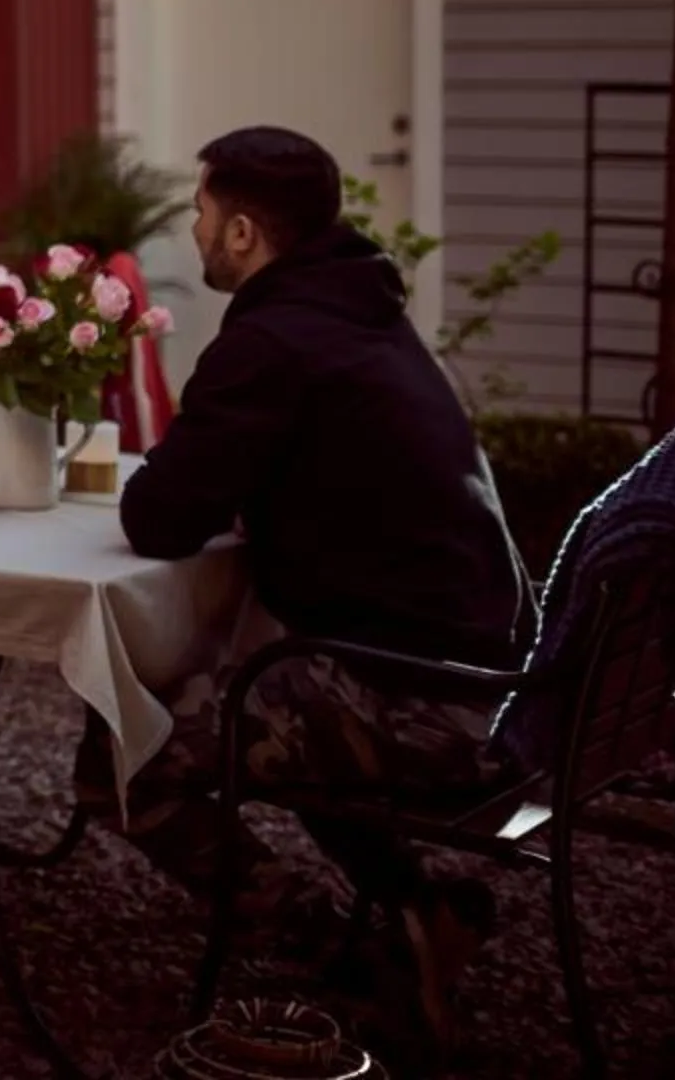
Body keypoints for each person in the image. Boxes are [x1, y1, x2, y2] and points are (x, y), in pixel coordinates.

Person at [113, 126, 526, 1040]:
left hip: (426, 707)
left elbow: (158, 518)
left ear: (244, 233)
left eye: (201, 213)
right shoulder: (365, 312)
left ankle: (357, 952)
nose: (194, 230)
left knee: (124, 760)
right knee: (279, 696)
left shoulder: (272, 342)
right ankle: (420, 908)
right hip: (489, 684)